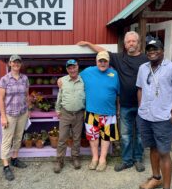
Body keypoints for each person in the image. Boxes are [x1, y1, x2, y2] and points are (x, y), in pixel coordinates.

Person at [78, 31, 148, 172]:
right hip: (126, 104)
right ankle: (127, 160)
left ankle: (138, 159)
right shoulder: (119, 58)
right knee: (125, 135)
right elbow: (102, 52)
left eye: (134, 41)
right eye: (128, 42)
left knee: (140, 134)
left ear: (138, 42)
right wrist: (88, 43)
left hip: (143, 104)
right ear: (125, 44)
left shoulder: (145, 59)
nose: (131, 44)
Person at [136, 39, 172, 189]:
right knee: (152, 148)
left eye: (155, 48)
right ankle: (156, 178)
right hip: (145, 116)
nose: (152, 52)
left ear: (162, 50)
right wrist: (140, 107)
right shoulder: (142, 68)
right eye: (149, 49)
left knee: (164, 152)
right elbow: (140, 89)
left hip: (163, 118)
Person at [79, 51, 120, 171]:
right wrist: (62, 80)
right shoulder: (87, 72)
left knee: (106, 137)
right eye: (100, 61)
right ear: (96, 61)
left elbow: (118, 94)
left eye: (105, 61)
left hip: (109, 112)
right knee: (93, 136)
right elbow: (74, 76)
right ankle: (95, 158)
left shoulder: (114, 74)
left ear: (108, 62)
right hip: (91, 111)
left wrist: (118, 110)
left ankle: (103, 159)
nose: (102, 63)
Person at [0, 54, 29, 181]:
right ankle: (6, 166)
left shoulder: (25, 78)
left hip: (22, 113)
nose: (16, 64)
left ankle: (14, 159)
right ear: (10, 63)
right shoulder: (4, 80)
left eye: (18, 62)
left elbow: (27, 95)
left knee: (18, 137)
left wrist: (29, 109)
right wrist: (3, 116)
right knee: (7, 139)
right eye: (14, 62)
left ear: (20, 64)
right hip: (10, 114)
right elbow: (1, 99)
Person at [54, 59, 85, 173]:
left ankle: (75, 157)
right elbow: (59, 96)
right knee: (62, 138)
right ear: (67, 69)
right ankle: (59, 160)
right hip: (65, 113)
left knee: (77, 138)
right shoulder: (62, 80)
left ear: (78, 67)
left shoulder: (83, 80)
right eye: (70, 68)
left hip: (79, 113)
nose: (72, 70)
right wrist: (57, 109)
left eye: (74, 67)